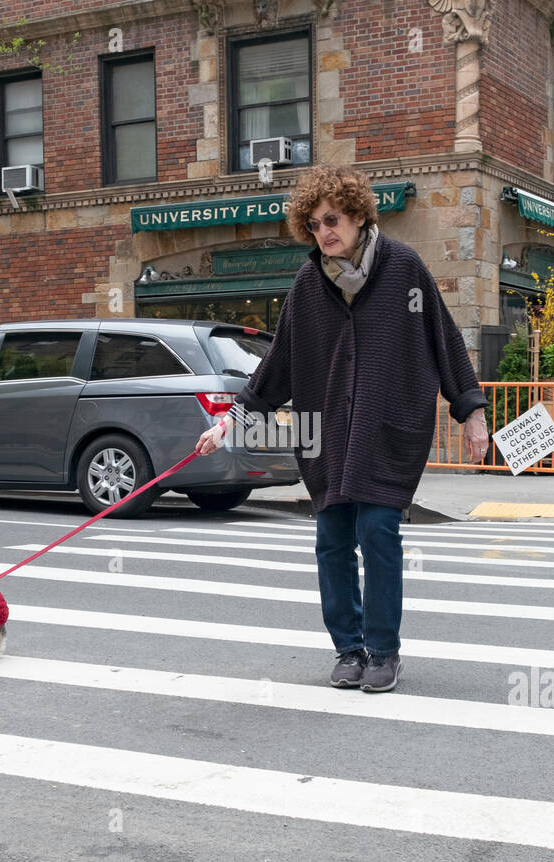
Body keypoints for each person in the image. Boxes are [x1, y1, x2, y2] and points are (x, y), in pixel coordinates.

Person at [194, 165, 490, 693]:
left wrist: (473, 411)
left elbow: (444, 341)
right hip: (325, 432)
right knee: (331, 539)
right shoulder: (309, 283)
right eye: (312, 225)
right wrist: (229, 423)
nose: (323, 232)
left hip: (387, 427)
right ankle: (348, 648)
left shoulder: (404, 270)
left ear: (357, 215)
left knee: (379, 533)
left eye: (331, 220)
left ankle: (383, 650)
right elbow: (278, 363)